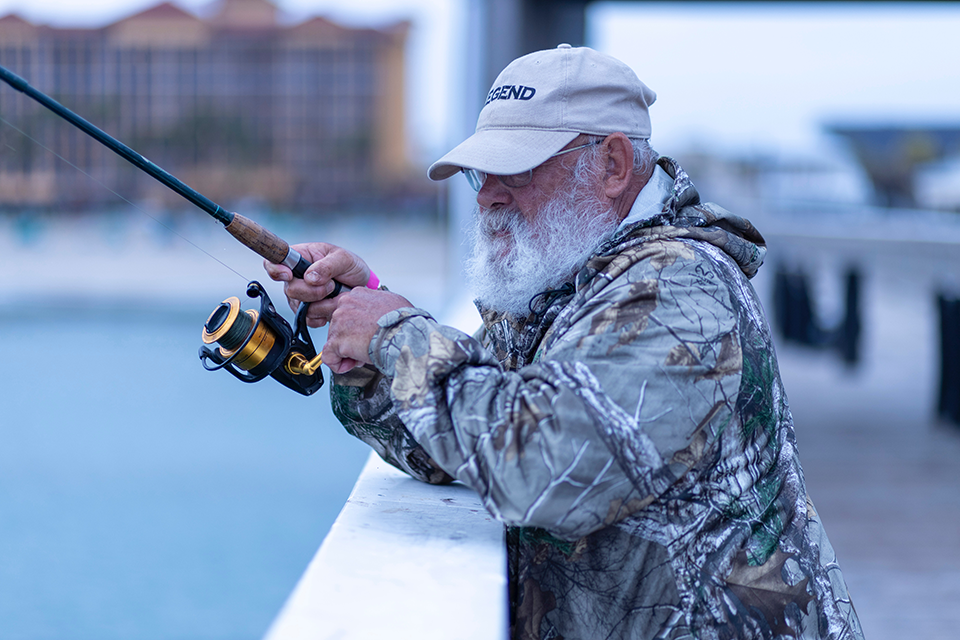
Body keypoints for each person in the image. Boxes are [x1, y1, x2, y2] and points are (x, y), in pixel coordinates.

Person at [264, 44, 863, 640]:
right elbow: (452, 445)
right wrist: (361, 334)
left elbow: (540, 471)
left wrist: (396, 334)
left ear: (613, 165)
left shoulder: (679, 289)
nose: (487, 196)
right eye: (481, 172)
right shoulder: (565, 291)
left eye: (516, 169)